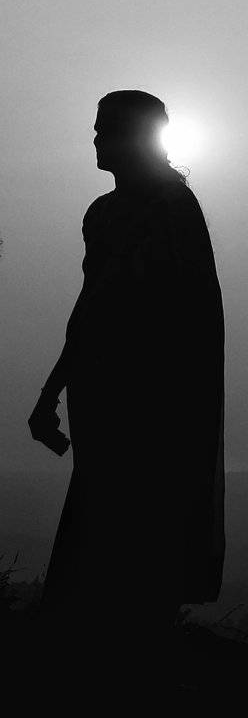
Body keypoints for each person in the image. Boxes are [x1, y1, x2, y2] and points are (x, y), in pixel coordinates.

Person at [27, 90, 226, 663]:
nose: (95, 138)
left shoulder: (171, 206)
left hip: (154, 394)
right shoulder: (103, 213)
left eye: (107, 127)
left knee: (141, 511)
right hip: (102, 387)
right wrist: (52, 390)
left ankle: (133, 647)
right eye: (96, 127)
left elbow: (187, 311)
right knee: (102, 500)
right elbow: (90, 306)